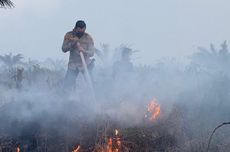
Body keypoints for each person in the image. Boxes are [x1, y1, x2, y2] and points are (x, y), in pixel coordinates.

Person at [62, 20, 95, 89]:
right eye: (79, 32)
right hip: (73, 65)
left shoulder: (88, 38)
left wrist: (84, 51)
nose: (81, 34)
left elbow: (92, 53)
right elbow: (64, 49)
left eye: (83, 32)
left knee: (91, 84)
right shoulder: (69, 35)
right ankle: (64, 98)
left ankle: (96, 98)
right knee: (67, 86)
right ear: (76, 28)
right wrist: (72, 44)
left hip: (85, 64)